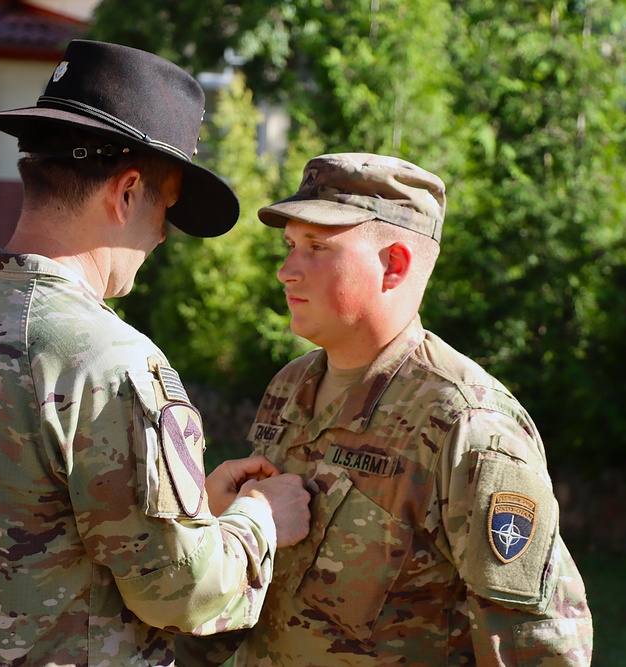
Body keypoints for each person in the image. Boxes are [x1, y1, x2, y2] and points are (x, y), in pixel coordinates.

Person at [0, 40, 310, 667]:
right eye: (165, 206)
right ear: (127, 192)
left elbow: (34, 519)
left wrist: (196, 514)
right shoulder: (110, 364)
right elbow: (181, 594)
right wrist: (258, 519)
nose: (163, 233)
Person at [228, 153, 593, 665]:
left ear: (394, 265)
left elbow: (536, 648)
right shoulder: (290, 387)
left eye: (316, 247)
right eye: (290, 245)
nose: (286, 271)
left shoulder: (467, 424)